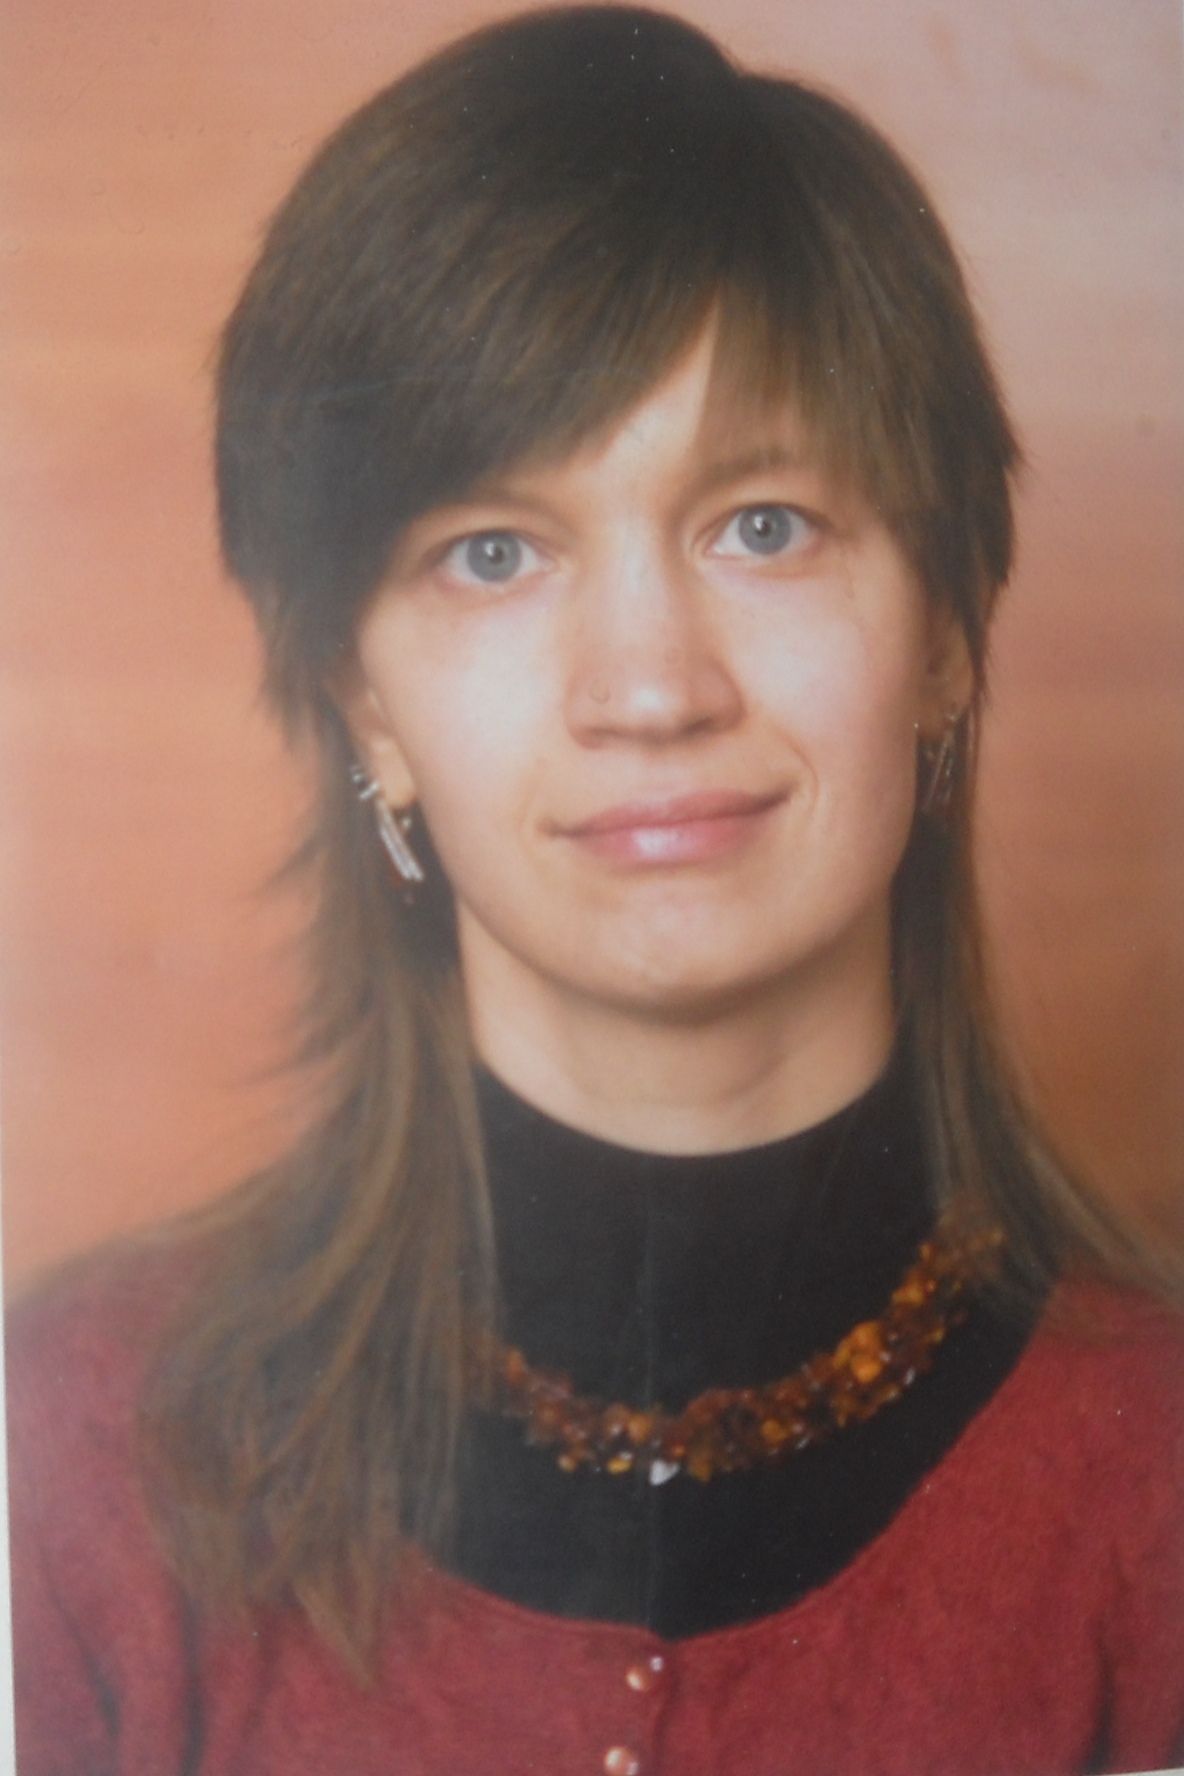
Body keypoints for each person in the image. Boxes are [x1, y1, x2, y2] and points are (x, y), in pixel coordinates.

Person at [8, 7, 1184, 1773]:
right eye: (493, 553)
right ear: (364, 704)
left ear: (946, 629)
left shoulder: (1158, 1484)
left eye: (764, 525)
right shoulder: (63, 1469)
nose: (649, 688)